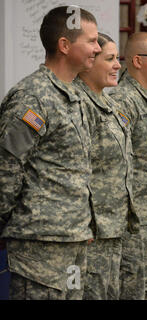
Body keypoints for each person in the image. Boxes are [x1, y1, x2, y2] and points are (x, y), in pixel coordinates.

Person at [0, 6, 101, 300]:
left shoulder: (76, 94)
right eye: (91, 41)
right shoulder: (33, 97)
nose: (98, 47)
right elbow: (7, 168)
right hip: (40, 245)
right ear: (65, 46)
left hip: (73, 239)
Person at [74, 33, 139, 300]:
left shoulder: (110, 105)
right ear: (89, 62)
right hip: (91, 232)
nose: (117, 66)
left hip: (113, 228)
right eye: (110, 59)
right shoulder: (77, 105)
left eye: (117, 59)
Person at [110, 32, 147, 300]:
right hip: (134, 222)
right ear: (137, 61)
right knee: (131, 292)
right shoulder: (123, 101)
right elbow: (116, 164)